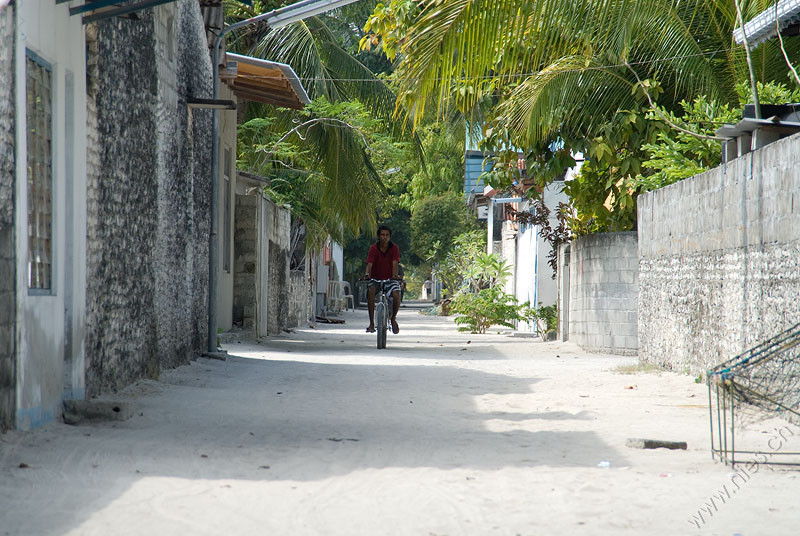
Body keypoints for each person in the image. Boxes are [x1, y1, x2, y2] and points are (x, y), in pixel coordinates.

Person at [363, 225, 402, 334]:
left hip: (390, 279)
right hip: (376, 279)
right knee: (370, 292)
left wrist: (394, 275)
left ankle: (393, 318)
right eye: (382, 235)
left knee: (396, 293)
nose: (385, 237)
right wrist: (367, 274)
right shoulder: (373, 249)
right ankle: (371, 323)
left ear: (390, 237)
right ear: (378, 236)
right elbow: (369, 264)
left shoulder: (394, 248)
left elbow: (395, 263)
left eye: (387, 235)